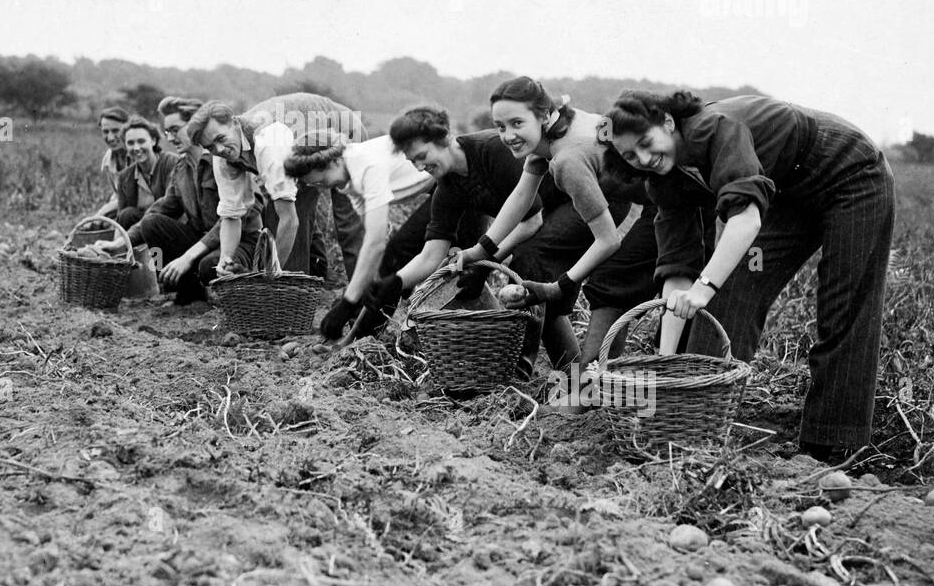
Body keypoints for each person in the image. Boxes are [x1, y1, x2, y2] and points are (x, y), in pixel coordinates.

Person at [605, 90, 896, 463]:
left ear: (667, 122)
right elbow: (678, 270)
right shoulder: (661, 179)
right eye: (631, 155)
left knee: (845, 305)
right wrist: (666, 367)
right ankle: (698, 427)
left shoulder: (717, 129)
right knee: (736, 286)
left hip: (850, 175)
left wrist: (704, 286)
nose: (644, 159)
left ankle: (832, 444)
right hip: (786, 197)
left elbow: (745, 219)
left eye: (647, 143)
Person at [457, 77, 659, 369]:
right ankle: (579, 379)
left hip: (663, 202)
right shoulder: (549, 137)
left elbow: (609, 240)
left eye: (516, 123)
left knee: (611, 281)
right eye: (501, 126)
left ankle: (587, 388)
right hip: (626, 195)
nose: (508, 135)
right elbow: (521, 197)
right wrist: (479, 251)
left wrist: (558, 286)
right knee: (548, 264)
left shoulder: (567, 158)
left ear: (542, 115)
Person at [363, 106, 549, 333]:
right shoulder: (447, 188)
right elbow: (432, 254)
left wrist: (485, 262)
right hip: (530, 224)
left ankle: (526, 363)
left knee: (528, 267)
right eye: (413, 162)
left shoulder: (493, 150)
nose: (420, 167)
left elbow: (532, 220)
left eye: (422, 156)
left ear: (444, 139)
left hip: (562, 208)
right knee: (550, 310)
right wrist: (395, 282)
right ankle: (569, 365)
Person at [187, 95, 365, 277]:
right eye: (210, 147)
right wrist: (225, 258)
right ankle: (309, 286)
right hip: (300, 150)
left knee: (347, 223)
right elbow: (232, 215)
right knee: (283, 212)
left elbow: (289, 220)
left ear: (234, 123)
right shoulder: (221, 158)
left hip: (341, 127)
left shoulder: (268, 140)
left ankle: (363, 297)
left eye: (221, 138)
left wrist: (267, 277)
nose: (219, 150)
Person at [283, 129, 434, 338]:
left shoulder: (365, 165)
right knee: (389, 265)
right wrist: (364, 286)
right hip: (436, 186)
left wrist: (347, 302)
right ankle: (361, 339)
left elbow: (376, 242)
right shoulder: (348, 181)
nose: (321, 187)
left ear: (334, 162)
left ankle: (362, 339)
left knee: (398, 256)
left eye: (320, 181)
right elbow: (370, 239)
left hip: (449, 180)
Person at [124, 97, 261, 304]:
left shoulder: (225, 160)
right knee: (152, 224)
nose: (170, 138)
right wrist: (119, 242)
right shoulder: (181, 167)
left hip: (239, 241)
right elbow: (159, 209)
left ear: (194, 127)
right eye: (167, 132)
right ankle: (188, 293)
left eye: (175, 129)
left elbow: (239, 215)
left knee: (211, 265)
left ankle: (246, 293)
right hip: (203, 241)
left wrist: (188, 256)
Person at [104, 117, 179, 230]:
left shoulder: (170, 162)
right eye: (130, 143)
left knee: (152, 220)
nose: (136, 148)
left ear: (153, 141)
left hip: (170, 226)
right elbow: (120, 220)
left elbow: (170, 206)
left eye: (141, 141)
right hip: (144, 228)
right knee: (126, 214)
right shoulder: (125, 177)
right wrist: (116, 244)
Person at [91, 107, 130, 218]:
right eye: (105, 132)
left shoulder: (138, 154)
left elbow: (135, 199)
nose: (110, 137)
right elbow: (118, 194)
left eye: (116, 131)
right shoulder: (109, 158)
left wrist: (102, 212)